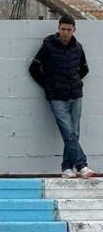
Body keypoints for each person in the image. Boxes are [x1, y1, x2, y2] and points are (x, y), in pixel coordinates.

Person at [29, 15, 96, 178]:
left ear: (74, 30)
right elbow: (34, 68)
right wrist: (48, 85)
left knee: (74, 133)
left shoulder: (78, 47)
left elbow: (84, 69)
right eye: (62, 29)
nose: (65, 32)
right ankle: (82, 165)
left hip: (75, 95)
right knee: (68, 132)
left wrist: (74, 81)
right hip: (56, 96)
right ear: (58, 29)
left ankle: (67, 168)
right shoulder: (48, 46)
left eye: (69, 29)